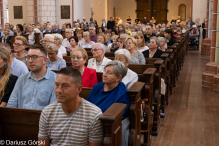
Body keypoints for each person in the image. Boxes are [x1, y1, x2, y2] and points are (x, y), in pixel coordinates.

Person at [38, 67, 103, 145]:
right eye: (57, 85)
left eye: (65, 86)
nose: (59, 90)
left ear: (78, 89)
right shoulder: (47, 112)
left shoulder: (94, 114)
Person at [87, 60, 130, 146]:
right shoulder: (98, 86)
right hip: (89, 121)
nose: (104, 74)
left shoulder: (122, 94)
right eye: (104, 71)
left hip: (105, 127)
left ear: (118, 78)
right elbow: (87, 105)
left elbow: (117, 118)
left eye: (109, 73)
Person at [7, 45, 57, 110]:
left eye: (34, 57)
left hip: (44, 119)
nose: (30, 61)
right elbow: (11, 104)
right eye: (28, 57)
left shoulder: (55, 80)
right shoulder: (22, 79)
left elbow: (54, 108)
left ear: (45, 60)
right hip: (21, 118)